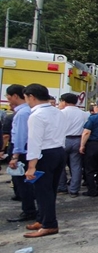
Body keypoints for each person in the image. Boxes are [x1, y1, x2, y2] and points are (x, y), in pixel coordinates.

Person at [22, 84, 66, 238]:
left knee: (43, 191)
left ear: (31, 97)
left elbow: (34, 142)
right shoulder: (57, 112)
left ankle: (49, 224)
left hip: (45, 154)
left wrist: (31, 166)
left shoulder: (36, 115)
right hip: (59, 151)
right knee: (50, 190)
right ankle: (42, 219)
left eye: (26, 98)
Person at [5, 84, 37, 222]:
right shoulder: (29, 110)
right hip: (29, 150)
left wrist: (15, 155)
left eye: (8, 97)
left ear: (15, 96)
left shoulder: (22, 113)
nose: (8, 101)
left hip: (22, 151)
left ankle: (29, 211)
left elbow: (20, 136)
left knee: (22, 183)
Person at [58, 93, 90, 197]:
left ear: (64, 101)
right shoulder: (84, 114)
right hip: (78, 139)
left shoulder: (60, 113)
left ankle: (62, 187)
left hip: (64, 139)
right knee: (76, 165)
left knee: (61, 166)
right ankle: (74, 189)